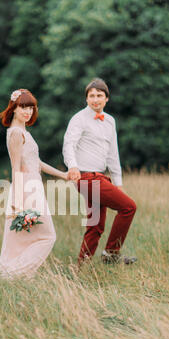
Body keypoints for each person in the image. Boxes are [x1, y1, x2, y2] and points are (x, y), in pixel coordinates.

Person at [63, 78, 137, 267]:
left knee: (95, 225)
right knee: (128, 207)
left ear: (107, 99)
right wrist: (72, 166)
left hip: (102, 177)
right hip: (85, 177)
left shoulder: (110, 121)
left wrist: (118, 183)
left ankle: (81, 268)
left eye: (99, 96)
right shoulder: (78, 118)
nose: (95, 99)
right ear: (86, 98)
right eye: (91, 96)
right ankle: (111, 254)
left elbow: (113, 155)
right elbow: (69, 145)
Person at [0, 89, 68, 279]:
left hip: (33, 186)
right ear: (14, 108)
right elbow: (16, 168)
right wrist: (18, 201)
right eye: (23, 107)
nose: (27, 112)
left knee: (25, 238)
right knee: (47, 236)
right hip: (26, 189)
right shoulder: (16, 134)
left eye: (31, 107)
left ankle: (16, 276)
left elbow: (37, 163)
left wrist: (63, 175)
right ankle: (14, 274)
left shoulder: (23, 132)